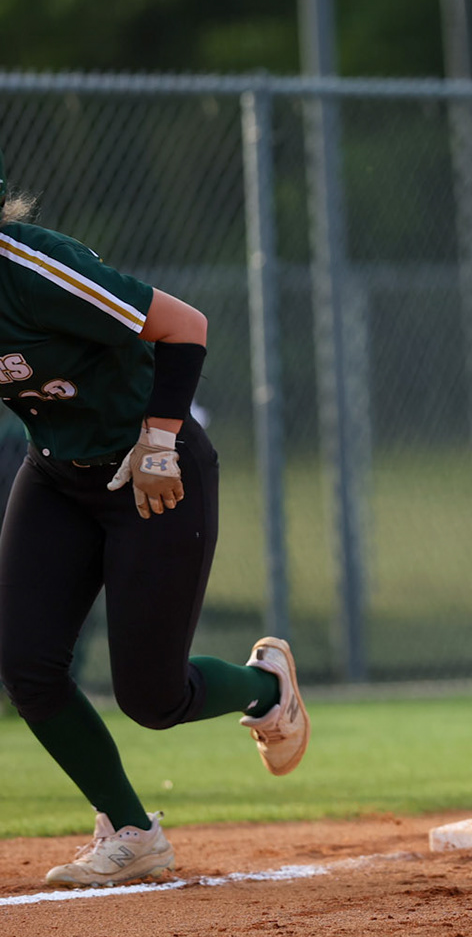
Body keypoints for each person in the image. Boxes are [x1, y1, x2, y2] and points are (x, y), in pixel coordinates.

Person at [0, 156, 309, 888]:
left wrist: (160, 440)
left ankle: (266, 689)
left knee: (152, 698)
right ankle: (132, 831)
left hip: (150, 469)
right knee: (27, 666)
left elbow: (184, 325)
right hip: (55, 472)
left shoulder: (32, 265)